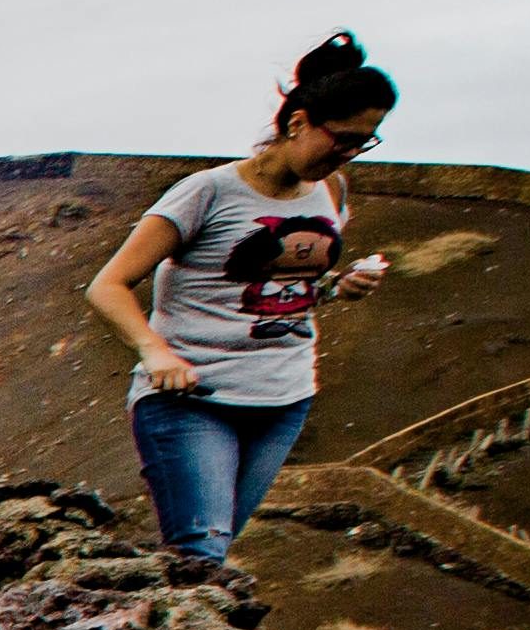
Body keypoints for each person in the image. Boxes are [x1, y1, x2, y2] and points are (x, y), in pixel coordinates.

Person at [82, 31, 399, 568]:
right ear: (296, 123)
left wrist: (336, 287)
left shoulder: (332, 192)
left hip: (283, 398)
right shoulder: (206, 193)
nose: (349, 153)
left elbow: (280, 290)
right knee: (200, 554)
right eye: (342, 138)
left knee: (217, 550)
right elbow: (107, 286)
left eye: (364, 142)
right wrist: (153, 351)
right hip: (193, 398)